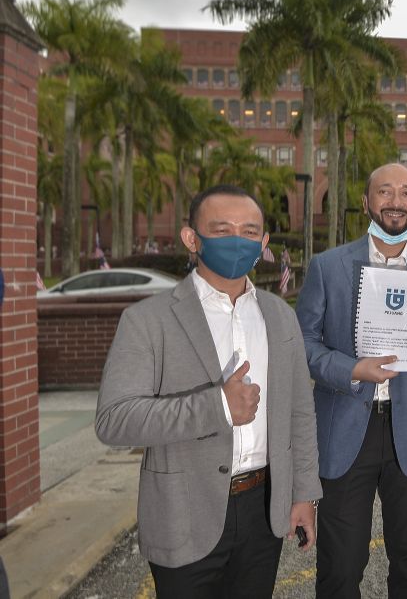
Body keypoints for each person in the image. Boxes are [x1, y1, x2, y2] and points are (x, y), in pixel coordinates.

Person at [95, 184, 322, 598]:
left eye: (250, 231)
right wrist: (217, 405)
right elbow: (114, 420)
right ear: (192, 238)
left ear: (264, 243)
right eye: (222, 229)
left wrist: (304, 493)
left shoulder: (279, 316)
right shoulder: (147, 320)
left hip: (262, 507)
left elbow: (299, 414)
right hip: (183, 511)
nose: (237, 240)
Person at [296, 163, 407, 598]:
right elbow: (303, 344)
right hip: (345, 429)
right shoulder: (328, 267)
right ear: (366, 201)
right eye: (386, 192)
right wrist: (351, 369)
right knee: (341, 564)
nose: (396, 201)